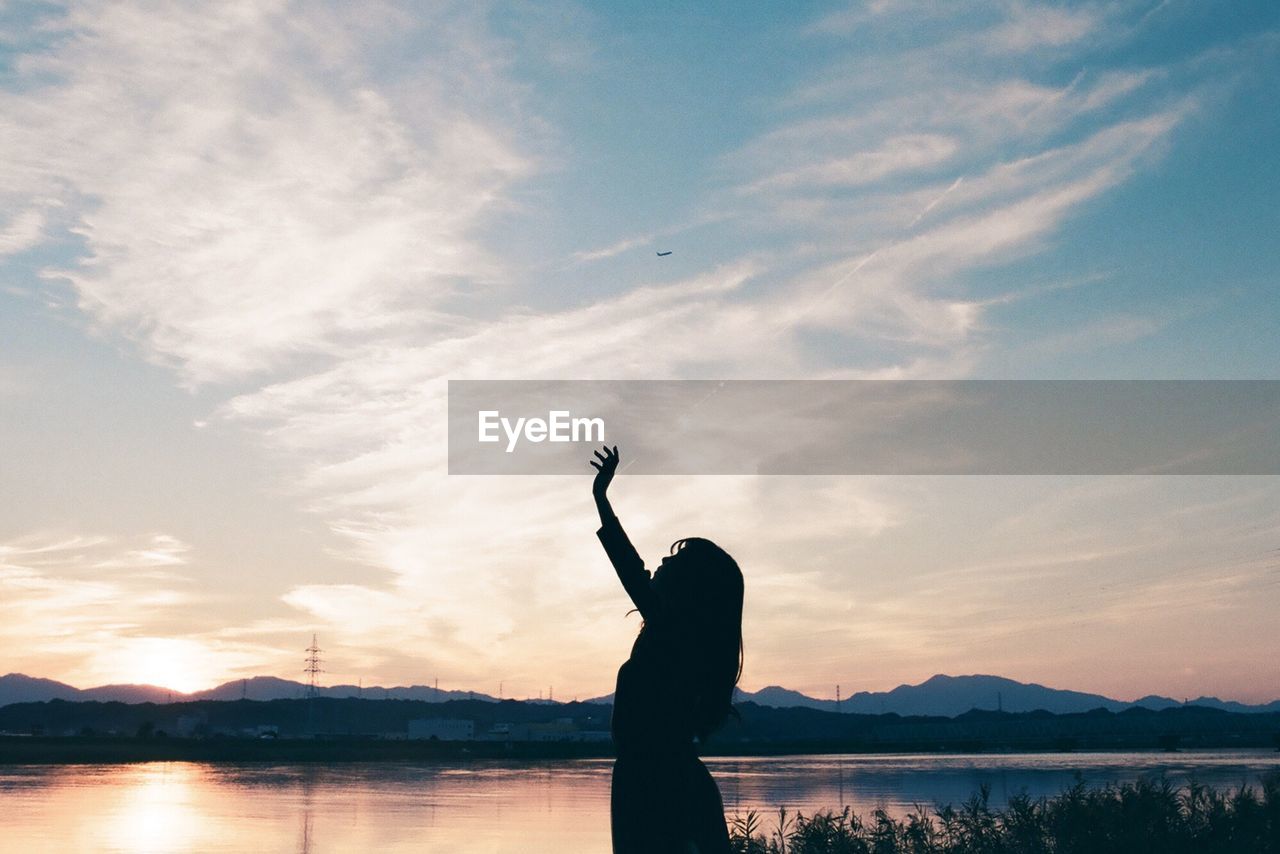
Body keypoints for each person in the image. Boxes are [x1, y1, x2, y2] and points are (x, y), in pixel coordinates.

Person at [590, 444, 743, 854]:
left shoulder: (675, 634)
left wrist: (602, 500)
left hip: (657, 786)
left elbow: (630, 570)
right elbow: (635, 572)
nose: (660, 560)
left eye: (674, 561)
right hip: (657, 780)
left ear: (690, 589)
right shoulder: (675, 637)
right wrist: (601, 500)